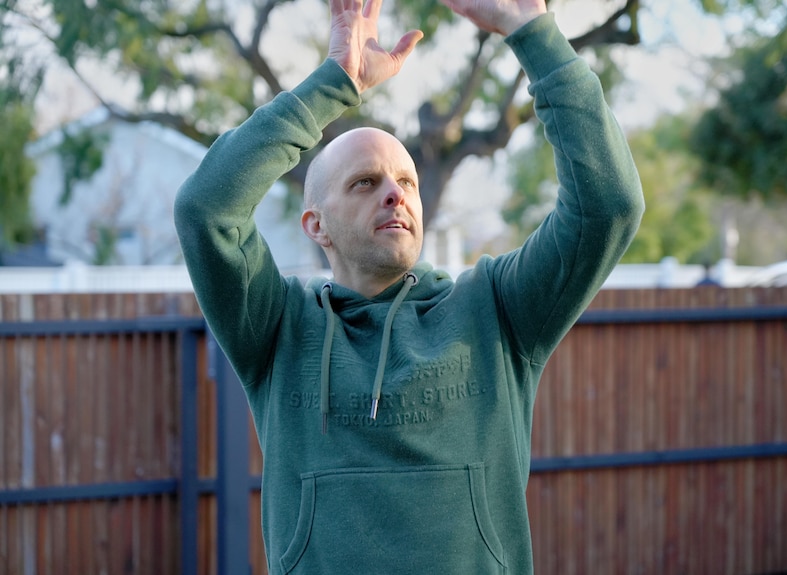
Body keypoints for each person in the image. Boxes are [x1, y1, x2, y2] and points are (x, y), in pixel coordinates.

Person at [174, 0, 644, 571]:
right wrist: (336, 82)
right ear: (315, 224)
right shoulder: (274, 327)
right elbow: (206, 210)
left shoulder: (497, 309)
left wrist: (533, 34)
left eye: (406, 182)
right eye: (365, 183)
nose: (394, 194)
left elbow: (608, 207)